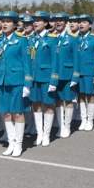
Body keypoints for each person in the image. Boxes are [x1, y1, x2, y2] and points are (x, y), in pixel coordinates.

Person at [0, 11, 33, 156]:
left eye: (8, 21)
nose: (4, 24)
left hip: (17, 81)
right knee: (6, 113)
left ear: (15, 25)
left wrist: (27, 84)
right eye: (3, 21)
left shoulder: (21, 40)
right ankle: (11, 141)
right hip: (2, 81)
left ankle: (19, 144)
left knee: (18, 113)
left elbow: (27, 63)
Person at [29, 11, 59, 147]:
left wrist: (53, 80)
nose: (35, 23)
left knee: (48, 105)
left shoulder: (52, 39)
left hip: (46, 77)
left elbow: (55, 61)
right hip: (33, 78)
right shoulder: (30, 39)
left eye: (39, 20)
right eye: (34, 20)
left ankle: (46, 134)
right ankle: (39, 133)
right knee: (35, 105)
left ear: (46, 23)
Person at [73, 14, 94, 131]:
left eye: (84, 22)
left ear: (89, 25)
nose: (81, 24)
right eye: (80, 22)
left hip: (89, 71)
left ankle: (90, 120)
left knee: (89, 95)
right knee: (80, 95)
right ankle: (83, 119)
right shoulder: (76, 38)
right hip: (78, 72)